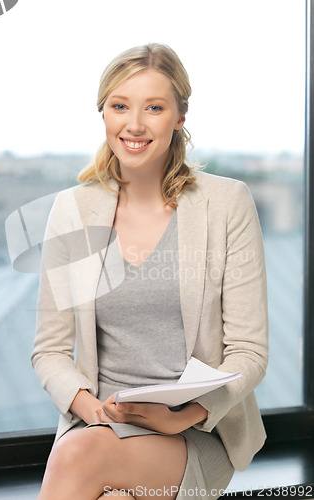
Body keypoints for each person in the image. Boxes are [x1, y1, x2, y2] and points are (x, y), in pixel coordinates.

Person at [32, 43, 269, 500]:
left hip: (196, 430)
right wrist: (91, 408)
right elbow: (49, 351)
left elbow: (249, 351)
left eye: (154, 108)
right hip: (99, 424)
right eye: (120, 106)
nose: (134, 124)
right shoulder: (72, 210)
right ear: (104, 113)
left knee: (78, 459)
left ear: (179, 117)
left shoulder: (226, 204)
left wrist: (184, 415)